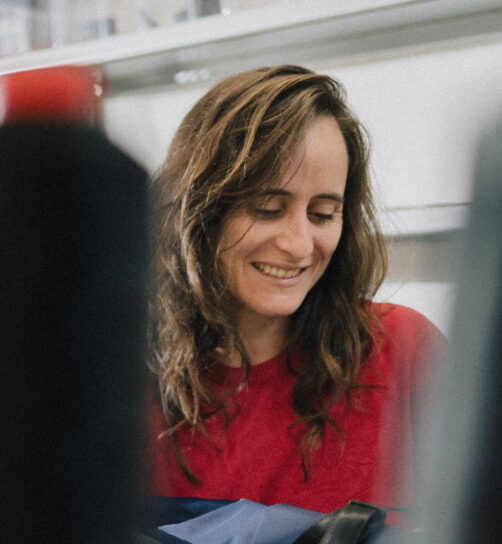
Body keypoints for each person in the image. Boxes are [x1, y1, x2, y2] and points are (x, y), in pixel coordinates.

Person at [147, 65, 444, 515]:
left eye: (323, 214)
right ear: (198, 211)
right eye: (267, 210)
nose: (299, 245)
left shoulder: (404, 349)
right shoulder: (122, 380)